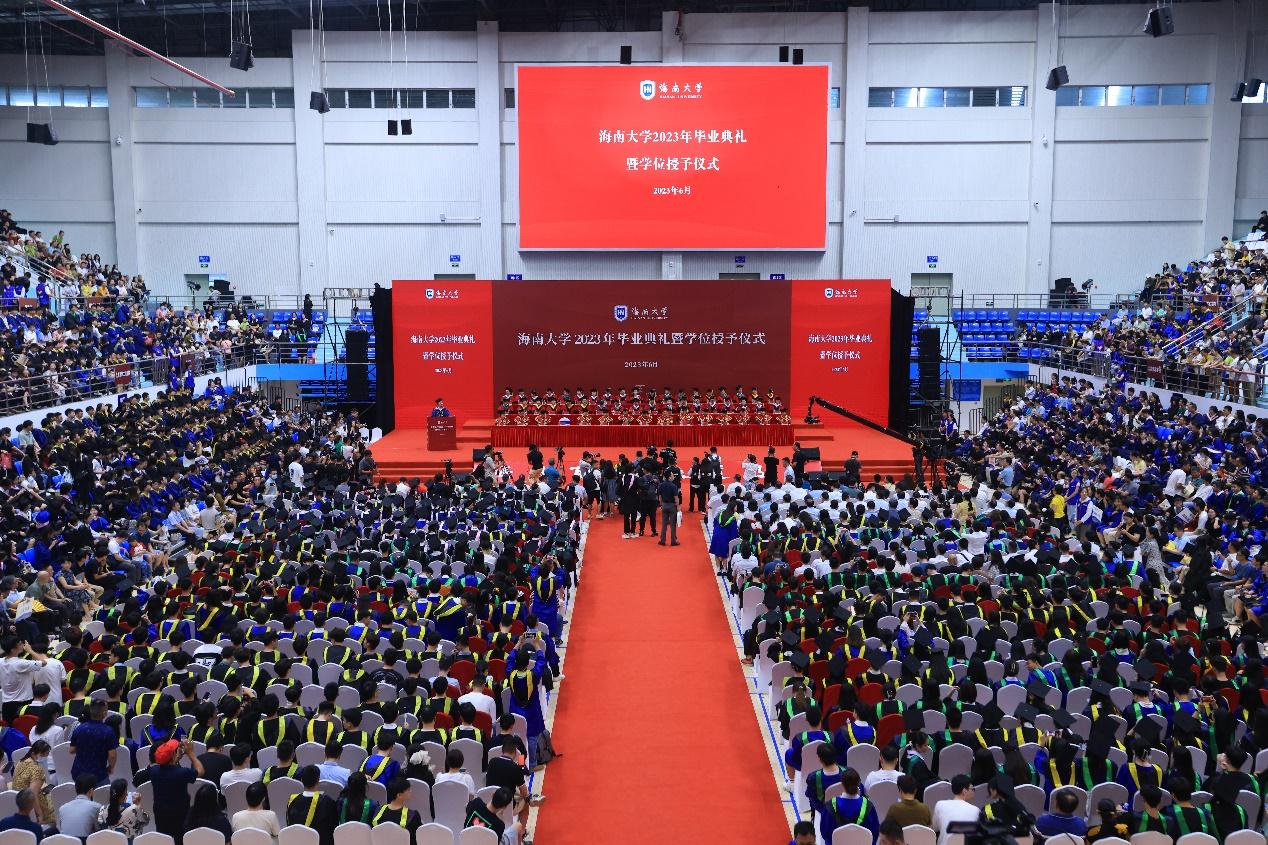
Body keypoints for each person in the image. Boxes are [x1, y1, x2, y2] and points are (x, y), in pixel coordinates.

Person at [134, 738, 203, 844]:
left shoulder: (153, 771)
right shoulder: (182, 773)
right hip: (180, 815)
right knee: (180, 840)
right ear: (172, 756)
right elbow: (200, 771)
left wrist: (176, 758)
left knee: (164, 840)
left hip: (161, 815)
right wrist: (190, 753)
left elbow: (166, 767)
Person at [69, 699, 117, 786]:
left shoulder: (79, 729)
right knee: (103, 794)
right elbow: (112, 756)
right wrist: (111, 767)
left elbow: (71, 750)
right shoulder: (108, 731)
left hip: (78, 773)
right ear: (104, 713)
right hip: (98, 775)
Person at [287, 766, 337, 845]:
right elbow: (333, 827)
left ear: (301, 780)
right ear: (318, 780)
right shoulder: (327, 802)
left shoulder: (292, 800)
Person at [10, 743, 54, 828]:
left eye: (47, 754)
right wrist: (40, 814)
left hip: (18, 798)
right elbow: (33, 793)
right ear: (34, 753)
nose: (45, 757)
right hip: (30, 803)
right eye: (43, 755)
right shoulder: (37, 769)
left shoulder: (21, 761)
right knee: (54, 804)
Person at [931, 775, 980, 845]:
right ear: (964, 791)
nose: (973, 792)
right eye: (972, 789)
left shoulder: (940, 804)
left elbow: (935, 828)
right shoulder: (976, 810)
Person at [372, 778, 422, 843]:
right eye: (408, 790)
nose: (411, 791)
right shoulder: (412, 815)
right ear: (399, 795)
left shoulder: (378, 811)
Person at [57, 773, 104, 839]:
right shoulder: (97, 807)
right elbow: (100, 831)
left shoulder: (62, 808)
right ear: (91, 791)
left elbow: (61, 829)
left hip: (64, 842)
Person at [657, 468, 681, 547]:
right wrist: (678, 507)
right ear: (669, 477)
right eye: (672, 475)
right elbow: (676, 498)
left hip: (664, 505)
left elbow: (660, 496)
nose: (673, 476)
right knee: (673, 524)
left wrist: (661, 505)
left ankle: (662, 540)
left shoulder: (661, 485)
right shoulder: (673, 486)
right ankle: (673, 540)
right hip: (672, 506)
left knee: (664, 524)